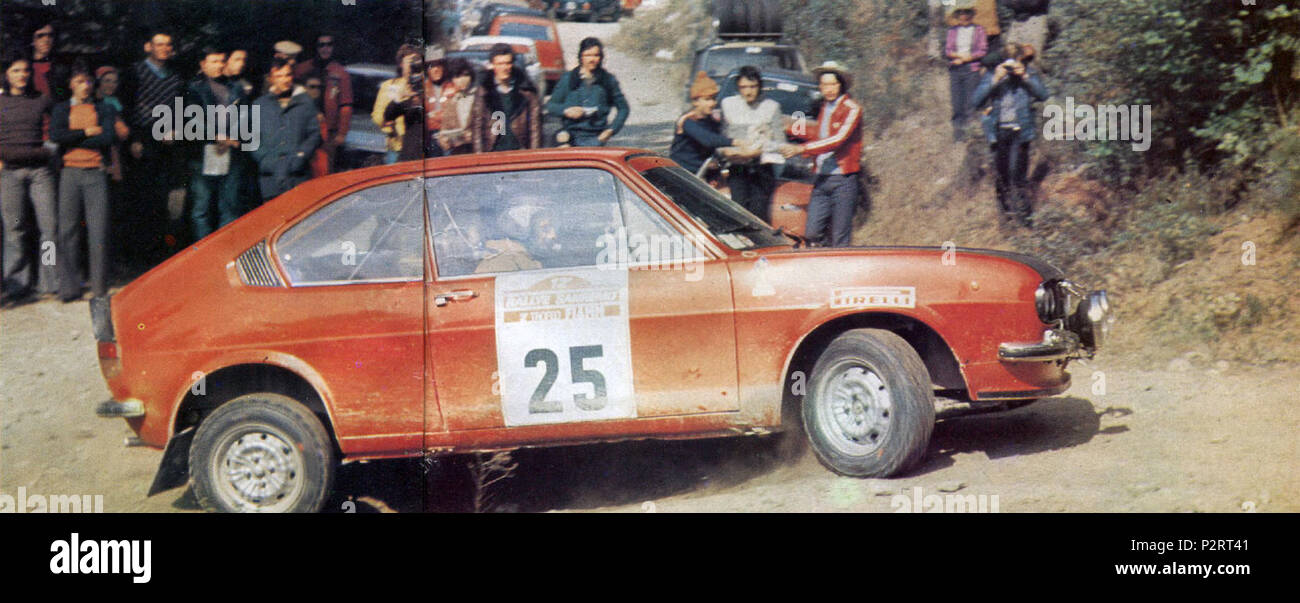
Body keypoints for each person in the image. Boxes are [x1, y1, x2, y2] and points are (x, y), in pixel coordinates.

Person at [51, 67, 118, 303]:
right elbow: (56, 136)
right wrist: (86, 132)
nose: (85, 85)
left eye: (88, 81)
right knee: (66, 230)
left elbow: (108, 137)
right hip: (69, 173)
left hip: (95, 173)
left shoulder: (104, 108)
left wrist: (75, 137)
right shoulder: (62, 109)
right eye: (79, 81)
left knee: (97, 230)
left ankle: (99, 288)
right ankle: (69, 286)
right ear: (71, 84)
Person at [781, 61, 864, 248]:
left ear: (841, 84)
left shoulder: (852, 108)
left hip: (843, 179)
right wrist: (789, 128)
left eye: (833, 84)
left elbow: (837, 140)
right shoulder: (824, 108)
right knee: (811, 231)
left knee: (840, 235)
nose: (829, 89)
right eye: (824, 84)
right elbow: (819, 135)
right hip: (821, 178)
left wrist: (802, 149)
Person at [119, 31, 183, 264]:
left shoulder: (175, 77)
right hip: (140, 141)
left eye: (168, 44)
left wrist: (174, 128)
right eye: (159, 44)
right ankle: (136, 257)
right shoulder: (134, 72)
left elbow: (178, 108)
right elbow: (125, 107)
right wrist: (133, 139)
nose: (164, 48)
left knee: (161, 199)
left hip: (165, 143)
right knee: (140, 199)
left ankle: (157, 255)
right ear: (148, 47)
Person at [971, 43, 1048, 227]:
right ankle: (1006, 222)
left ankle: (1026, 222)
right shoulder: (993, 74)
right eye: (1008, 62)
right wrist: (995, 80)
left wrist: (1025, 76)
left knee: (1017, 176)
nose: (1011, 67)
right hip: (999, 133)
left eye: (1015, 61)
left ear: (1021, 59)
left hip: (1021, 132)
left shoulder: (1027, 73)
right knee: (1002, 178)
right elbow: (976, 101)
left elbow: (1043, 94)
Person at [0, 54, 56, 304]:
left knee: (50, 227)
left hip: (40, 173)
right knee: (14, 230)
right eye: (15, 70)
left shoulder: (41, 100)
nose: (21, 75)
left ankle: (50, 280)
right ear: (7, 74)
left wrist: (50, 150)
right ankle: (16, 284)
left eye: (24, 71)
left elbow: (60, 123)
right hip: (9, 172)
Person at [184, 48, 246, 240]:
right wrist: (216, 137)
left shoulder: (235, 88)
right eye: (213, 61)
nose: (219, 65)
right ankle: (202, 254)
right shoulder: (192, 89)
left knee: (229, 206)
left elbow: (245, 117)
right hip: (203, 154)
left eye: (221, 61)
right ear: (203, 65)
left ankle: (224, 250)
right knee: (201, 208)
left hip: (230, 153)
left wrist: (232, 138)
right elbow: (190, 121)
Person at [250, 58, 321, 203]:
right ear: (270, 79)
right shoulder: (259, 105)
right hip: (270, 177)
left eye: (287, 75)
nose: (284, 80)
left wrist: (300, 156)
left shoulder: (305, 102)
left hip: (298, 176)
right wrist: (266, 160)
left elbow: (314, 134)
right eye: (279, 76)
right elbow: (250, 138)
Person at [719, 65, 783, 223]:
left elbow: (781, 144)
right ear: (738, 88)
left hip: (762, 169)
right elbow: (720, 139)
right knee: (738, 212)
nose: (748, 91)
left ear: (760, 86)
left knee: (758, 213)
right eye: (743, 87)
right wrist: (725, 152)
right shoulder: (728, 105)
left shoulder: (772, 107)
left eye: (753, 86)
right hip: (737, 167)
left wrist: (759, 151)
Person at [544, 37, 629, 147]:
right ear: (581, 57)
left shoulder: (608, 80)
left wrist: (611, 130)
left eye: (596, 55)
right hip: (570, 137)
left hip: (596, 138)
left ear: (601, 57)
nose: (592, 59)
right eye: (588, 55)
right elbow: (551, 106)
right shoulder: (568, 78)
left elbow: (623, 108)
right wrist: (566, 111)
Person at [294, 35, 352, 174]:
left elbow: (346, 105)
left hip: (328, 130)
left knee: (324, 168)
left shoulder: (341, 73)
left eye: (329, 44)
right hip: (303, 127)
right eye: (321, 45)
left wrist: (342, 132)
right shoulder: (303, 68)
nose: (325, 48)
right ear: (316, 47)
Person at [471, 43, 541, 152]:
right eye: (499, 64)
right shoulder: (484, 91)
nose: (504, 68)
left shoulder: (527, 91)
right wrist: (479, 158)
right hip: (493, 152)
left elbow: (535, 127)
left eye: (507, 63)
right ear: (492, 65)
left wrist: (534, 154)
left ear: (512, 64)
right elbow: (477, 127)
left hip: (520, 151)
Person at [669, 71, 733, 175]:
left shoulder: (712, 121)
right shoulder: (687, 121)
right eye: (707, 99)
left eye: (714, 99)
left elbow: (718, 142)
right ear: (695, 101)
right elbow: (708, 139)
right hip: (682, 172)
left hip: (702, 171)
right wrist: (736, 142)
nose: (712, 103)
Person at [372, 44, 421, 164]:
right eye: (409, 61)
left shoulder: (422, 84)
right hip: (396, 147)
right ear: (400, 63)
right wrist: (388, 126)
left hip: (416, 147)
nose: (412, 65)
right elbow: (378, 116)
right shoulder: (389, 86)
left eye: (416, 61)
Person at [945, 7, 988, 141]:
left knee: (970, 103)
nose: (963, 16)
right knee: (957, 102)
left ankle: (970, 135)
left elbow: (982, 50)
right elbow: (948, 50)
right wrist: (957, 57)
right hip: (956, 69)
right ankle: (958, 136)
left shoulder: (979, 30)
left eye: (966, 13)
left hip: (971, 69)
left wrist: (969, 57)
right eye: (960, 14)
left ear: (971, 15)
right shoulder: (952, 30)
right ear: (957, 15)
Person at [434, 58, 477, 155]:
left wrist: (474, 135)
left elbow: (495, 129)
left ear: (471, 76)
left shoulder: (480, 97)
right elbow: (444, 130)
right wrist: (444, 141)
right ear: (452, 79)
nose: (461, 80)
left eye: (465, 75)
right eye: (457, 77)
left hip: (479, 152)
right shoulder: (451, 103)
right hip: (458, 155)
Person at [30, 24, 56, 96]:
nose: (46, 39)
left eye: (50, 35)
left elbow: (61, 91)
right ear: (32, 40)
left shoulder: (60, 66)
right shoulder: (23, 66)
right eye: (40, 36)